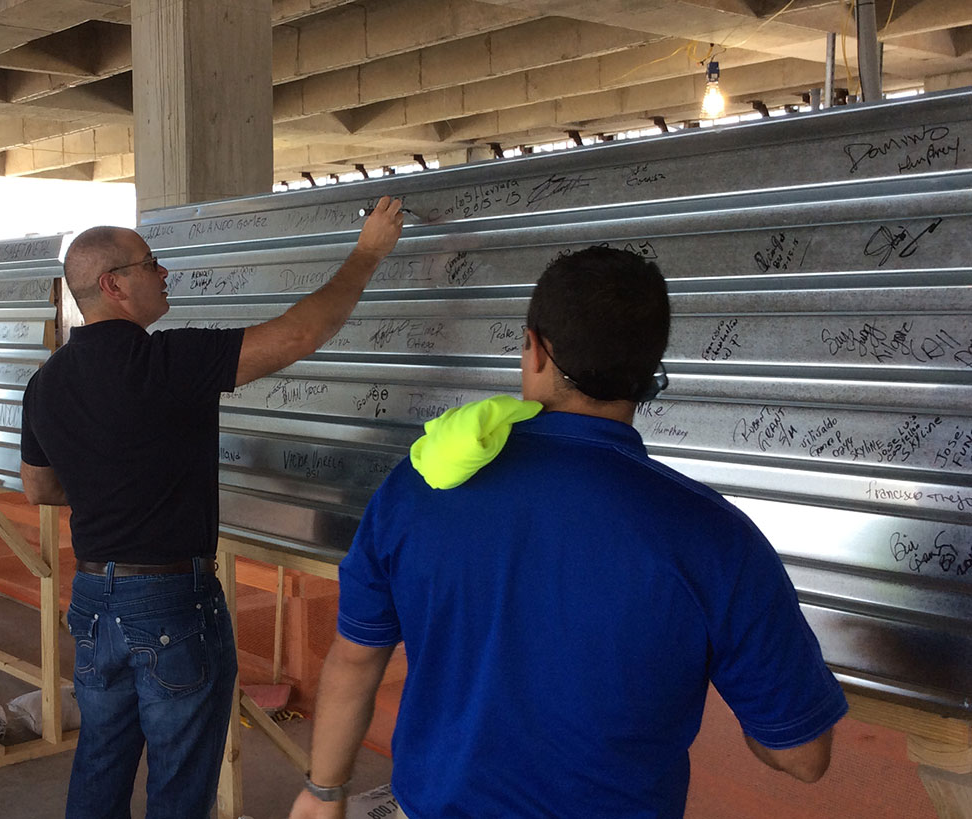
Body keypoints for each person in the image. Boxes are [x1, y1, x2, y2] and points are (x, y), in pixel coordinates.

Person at [290, 247, 847, 819]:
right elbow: (801, 754)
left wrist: (323, 792)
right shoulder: (714, 537)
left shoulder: (418, 489)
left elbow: (357, 659)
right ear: (649, 373)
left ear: (534, 350)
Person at [20, 197, 406, 818]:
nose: (165, 272)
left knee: (100, 757)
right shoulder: (166, 362)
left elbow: (39, 489)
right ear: (114, 285)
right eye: (152, 263)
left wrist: (112, 486)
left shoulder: (46, 381)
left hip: (94, 602)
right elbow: (300, 334)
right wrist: (366, 253)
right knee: (181, 774)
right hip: (171, 603)